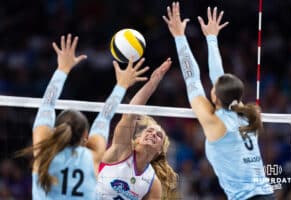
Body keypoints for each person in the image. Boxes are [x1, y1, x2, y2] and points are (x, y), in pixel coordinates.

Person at [163, 2, 274, 200]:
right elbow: (220, 78)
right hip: (266, 195)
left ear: (215, 96)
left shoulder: (216, 123)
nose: (211, 87)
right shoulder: (246, 114)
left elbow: (192, 80)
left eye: (213, 88)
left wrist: (179, 38)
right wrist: (211, 38)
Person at [17, 34, 149, 199]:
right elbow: (105, 117)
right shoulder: (92, 156)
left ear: (55, 130)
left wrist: (62, 69)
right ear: (86, 137)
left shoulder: (44, 152)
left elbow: (47, 104)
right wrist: (121, 85)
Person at [96, 58, 178, 200]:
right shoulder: (122, 151)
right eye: (149, 131)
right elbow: (130, 114)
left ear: (160, 150)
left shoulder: (152, 183)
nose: (153, 134)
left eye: (159, 135)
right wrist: (153, 82)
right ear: (137, 139)